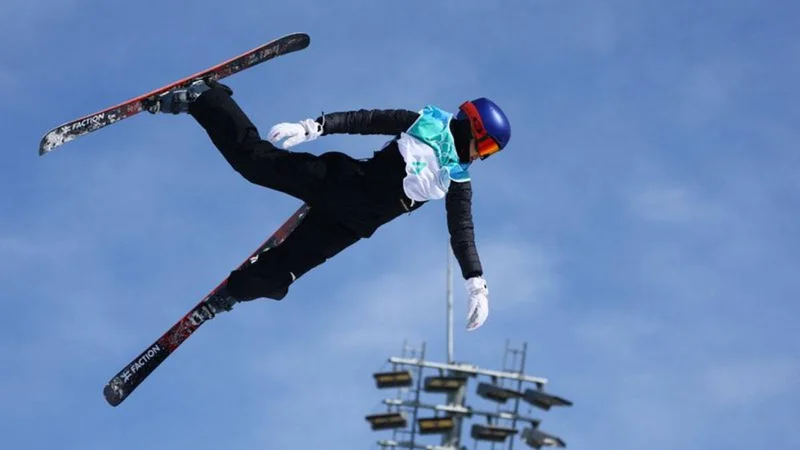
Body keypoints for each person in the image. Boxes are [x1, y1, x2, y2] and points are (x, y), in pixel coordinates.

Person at [145, 78, 511, 331]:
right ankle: (206, 99)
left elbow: (462, 231)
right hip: (340, 182)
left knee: (276, 279)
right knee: (254, 163)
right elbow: (366, 120)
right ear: (475, 129)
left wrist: (476, 282)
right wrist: (313, 127)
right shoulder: (424, 124)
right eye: (489, 147)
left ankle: (234, 291)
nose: (484, 157)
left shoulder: (457, 178)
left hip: (348, 226)